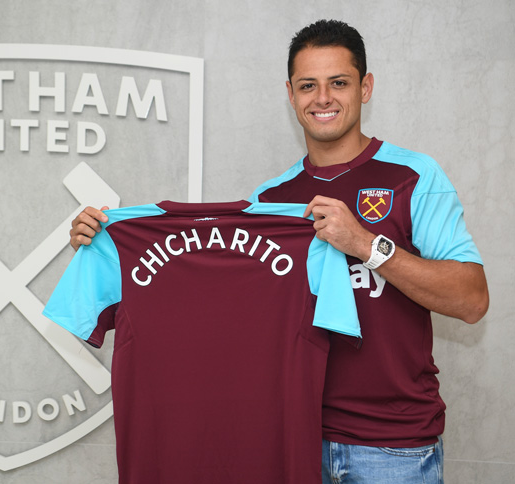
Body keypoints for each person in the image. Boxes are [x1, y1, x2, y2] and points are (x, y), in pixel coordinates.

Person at [68, 19, 489, 484]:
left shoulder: (414, 176)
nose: (323, 98)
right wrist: (102, 240)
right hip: (285, 440)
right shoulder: (272, 202)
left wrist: (365, 244)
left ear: (366, 88)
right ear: (290, 94)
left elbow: (471, 301)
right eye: (308, 85)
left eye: (339, 83)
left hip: (391, 445)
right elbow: (224, 313)